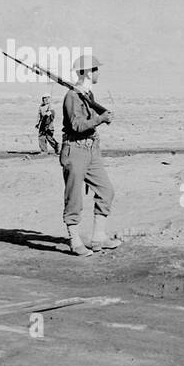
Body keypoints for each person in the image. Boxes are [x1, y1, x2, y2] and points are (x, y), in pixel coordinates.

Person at [60, 55, 120, 256]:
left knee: (106, 190)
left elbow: (89, 118)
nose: (98, 73)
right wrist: (100, 119)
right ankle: (75, 240)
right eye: (95, 69)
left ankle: (98, 237)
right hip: (75, 149)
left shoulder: (87, 94)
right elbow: (76, 125)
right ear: (86, 72)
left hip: (91, 149)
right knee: (74, 197)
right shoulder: (72, 96)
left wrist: (101, 117)